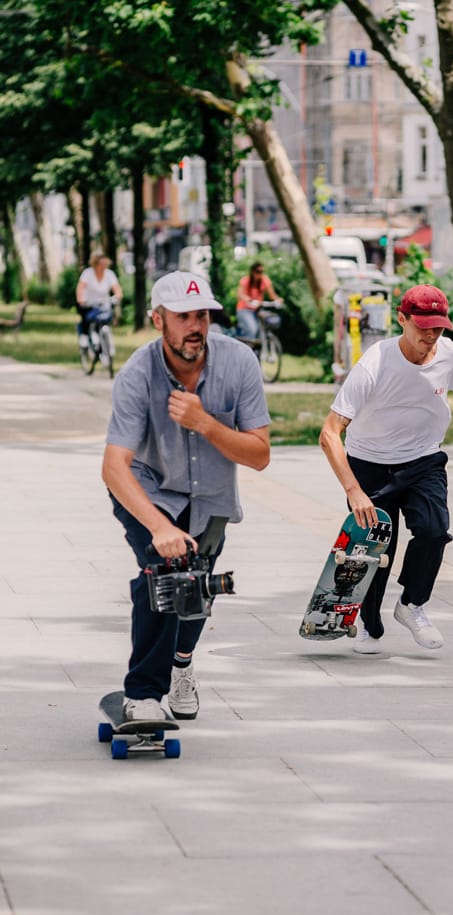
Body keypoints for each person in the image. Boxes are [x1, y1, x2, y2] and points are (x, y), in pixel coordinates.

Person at [101, 270, 270, 722]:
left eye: (202, 315)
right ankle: (142, 695)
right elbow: (114, 466)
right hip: (148, 487)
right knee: (164, 573)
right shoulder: (138, 373)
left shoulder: (238, 363)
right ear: (159, 320)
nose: (195, 326)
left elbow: (259, 456)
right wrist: (158, 527)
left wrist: (207, 424)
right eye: (183, 317)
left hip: (212, 497)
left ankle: (181, 664)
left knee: (196, 596)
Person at [319, 283, 453, 654]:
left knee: (434, 531)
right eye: (423, 326)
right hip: (369, 466)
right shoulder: (374, 363)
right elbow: (329, 433)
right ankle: (369, 624)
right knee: (374, 548)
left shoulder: (450, 355)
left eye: (438, 327)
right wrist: (353, 490)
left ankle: (411, 604)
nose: (430, 336)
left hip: (423, 459)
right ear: (401, 319)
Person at [76, 251, 122, 343]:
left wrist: (117, 296)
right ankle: (84, 338)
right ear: (95, 264)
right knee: (86, 320)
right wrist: (81, 299)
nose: (103, 266)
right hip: (89, 304)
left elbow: (117, 289)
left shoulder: (109, 274)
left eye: (105, 264)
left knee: (106, 318)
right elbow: (80, 288)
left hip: (104, 304)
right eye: (101, 264)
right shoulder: (87, 273)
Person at [235, 261, 282, 339]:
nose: (260, 274)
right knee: (252, 329)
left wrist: (278, 299)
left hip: (258, 309)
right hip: (244, 309)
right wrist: (249, 300)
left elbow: (272, 295)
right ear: (252, 272)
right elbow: (240, 294)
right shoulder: (245, 280)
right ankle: (248, 348)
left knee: (266, 326)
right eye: (258, 272)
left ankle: (260, 347)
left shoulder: (264, 280)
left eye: (261, 272)